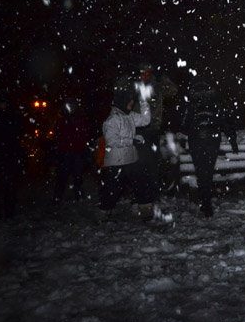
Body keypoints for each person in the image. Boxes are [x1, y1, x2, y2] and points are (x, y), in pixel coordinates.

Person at [116, 62, 178, 194]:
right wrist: (127, 76)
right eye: (142, 73)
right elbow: (118, 89)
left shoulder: (157, 87)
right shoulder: (133, 87)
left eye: (148, 73)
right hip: (136, 130)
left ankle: (151, 193)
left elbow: (173, 91)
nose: (145, 76)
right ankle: (135, 193)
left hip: (152, 131)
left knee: (151, 164)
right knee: (134, 164)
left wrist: (164, 78)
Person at [181, 77, 239, 217]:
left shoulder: (191, 103)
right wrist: (232, 139)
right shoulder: (215, 102)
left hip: (197, 139)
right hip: (211, 139)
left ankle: (205, 202)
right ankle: (206, 202)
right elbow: (224, 121)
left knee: (202, 172)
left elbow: (183, 124)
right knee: (206, 171)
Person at [98, 86, 152, 222]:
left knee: (141, 184)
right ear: (121, 101)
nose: (131, 103)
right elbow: (112, 141)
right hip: (116, 162)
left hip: (131, 159)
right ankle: (103, 213)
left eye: (132, 101)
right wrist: (132, 140)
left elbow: (146, 120)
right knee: (111, 189)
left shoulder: (129, 115)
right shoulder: (112, 120)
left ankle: (146, 209)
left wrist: (144, 102)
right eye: (129, 101)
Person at [0, 92, 25, 219]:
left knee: (9, 185)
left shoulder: (13, 116)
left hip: (9, 154)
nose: (1, 105)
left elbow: (18, 133)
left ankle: (9, 212)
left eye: (3, 102)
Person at [52, 97, 91, 204]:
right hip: (66, 153)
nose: (71, 108)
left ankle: (78, 195)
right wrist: (58, 151)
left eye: (72, 106)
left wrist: (84, 149)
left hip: (77, 152)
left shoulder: (80, 120)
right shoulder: (61, 121)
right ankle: (57, 197)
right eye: (69, 106)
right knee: (62, 176)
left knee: (77, 176)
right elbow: (57, 137)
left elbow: (85, 135)